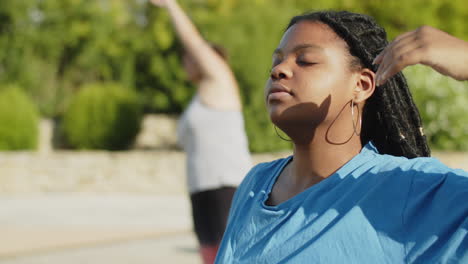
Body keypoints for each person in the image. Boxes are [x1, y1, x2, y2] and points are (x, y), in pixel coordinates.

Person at [215, 10, 468, 263]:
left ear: (362, 85)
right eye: (275, 62)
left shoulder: (403, 187)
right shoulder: (256, 184)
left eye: (305, 60)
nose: (279, 70)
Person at [149, 0, 252, 263]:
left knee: (230, 254)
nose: (185, 60)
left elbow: (192, 41)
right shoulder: (198, 97)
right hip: (200, 184)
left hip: (225, 183)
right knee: (209, 254)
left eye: (190, 56)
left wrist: (171, 6)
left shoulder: (220, 79)